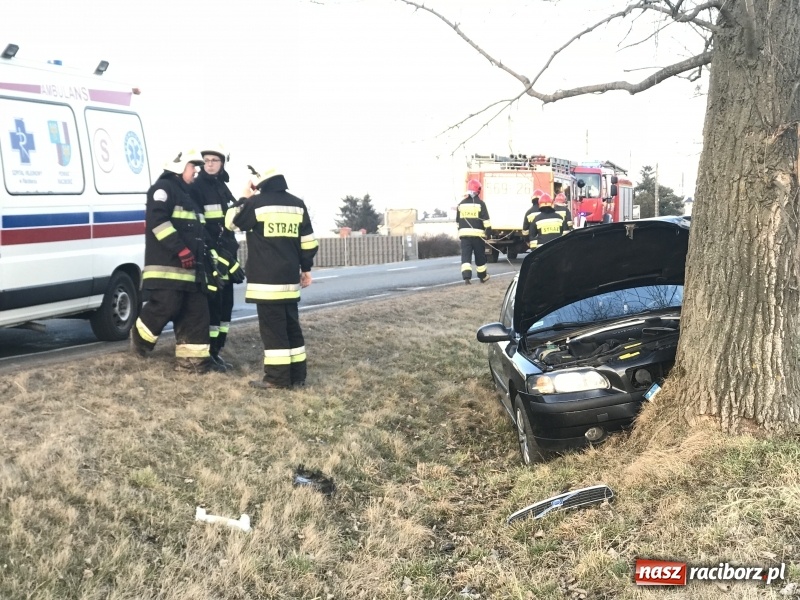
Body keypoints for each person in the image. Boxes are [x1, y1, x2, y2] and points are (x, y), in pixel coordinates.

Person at [226, 166, 318, 389]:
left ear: (260, 184)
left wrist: (243, 198)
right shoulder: (297, 205)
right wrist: (306, 269)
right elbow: (309, 242)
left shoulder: (256, 204)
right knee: (291, 329)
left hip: (265, 282)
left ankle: (276, 379)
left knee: (273, 331)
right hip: (290, 280)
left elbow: (230, 222)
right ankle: (297, 377)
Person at [131, 149, 222, 374]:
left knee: (196, 314)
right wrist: (180, 249)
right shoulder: (162, 190)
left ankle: (193, 364)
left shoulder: (188, 195)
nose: (197, 171)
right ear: (178, 167)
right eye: (193, 166)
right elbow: (158, 222)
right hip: (167, 268)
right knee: (166, 306)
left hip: (192, 271)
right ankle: (140, 341)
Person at [192, 144, 245, 370]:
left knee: (226, 306)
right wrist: (216, 256)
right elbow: (199, 226)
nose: (210, 164)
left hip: (226, 253)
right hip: (210, 256)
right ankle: (208, 353)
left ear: (222, 163)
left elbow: (231, 224)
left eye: (214, 160)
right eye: (207, 160)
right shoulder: (197, 187)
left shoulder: (223, 187)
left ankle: (217, 350)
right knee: (212, 307)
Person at [457, 178, 491, 284]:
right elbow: (486, 221)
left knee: (465, 257)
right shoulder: (481, 204)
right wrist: (488, 233)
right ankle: (482, 277)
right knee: (480, 256)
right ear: (478, 190)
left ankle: (467, 278)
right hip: (477, 235)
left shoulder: (461, 204)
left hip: (464, 236)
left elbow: (458, 222)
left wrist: (461, 231)